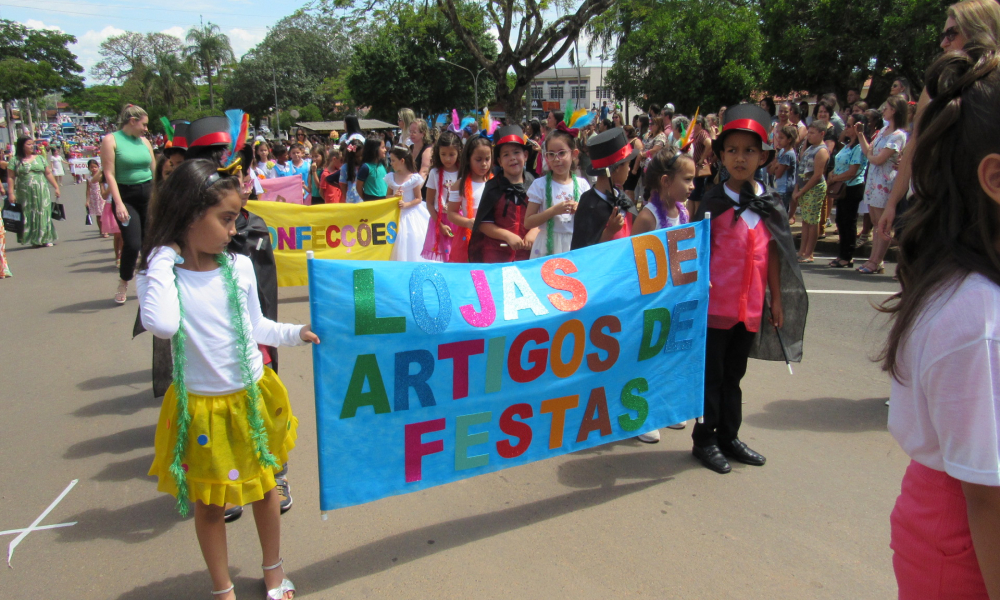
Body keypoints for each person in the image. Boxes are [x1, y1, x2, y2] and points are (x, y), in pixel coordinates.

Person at [137, 159, 319, 600]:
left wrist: (296, 334)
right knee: (211, 505)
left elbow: (257, 326)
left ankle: (273, 570)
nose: (233, 229)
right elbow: (161, 325)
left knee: (264, 489)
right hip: (202, 407)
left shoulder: (237, 266)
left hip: (252, 398)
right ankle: (222, 589)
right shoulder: (162, 277)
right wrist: (161, 255)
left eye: (235, 217)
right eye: (225, 218)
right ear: (187, 216)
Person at [880, 47, 1000, 600]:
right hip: (969, 551)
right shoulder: (980, 317)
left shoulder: (963, 287)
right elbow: (988, 497)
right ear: (994, 176)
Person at [691, 104, 806, 474]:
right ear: (721, 155)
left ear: (763, 156)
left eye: (749, 151)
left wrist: (774, 299)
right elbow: (695, 253)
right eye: (733, 150)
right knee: (712, 376)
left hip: (750, 307)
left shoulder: (769, 202)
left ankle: (729, 435)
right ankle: (704, 439)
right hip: (715, 307)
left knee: (735, 375)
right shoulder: (713, 202)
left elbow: (773, 254)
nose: (741, 158)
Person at [876, 0, 1000, 243]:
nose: (944, 42)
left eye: (952, 34)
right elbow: (916, 143)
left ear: (980, 31)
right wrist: (893, 204)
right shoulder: (936, 87)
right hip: (932, 204)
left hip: (980, 216)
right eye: (944, 34)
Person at [100, 104, 156, 304]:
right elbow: (109, 174)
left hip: (148, 193)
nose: (146, 129)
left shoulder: (144, 142)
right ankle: (124, 280)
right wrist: (119, 203)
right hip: (126, 196)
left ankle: (153, 282)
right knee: (132, 243)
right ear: (132, 121)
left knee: (151, 242)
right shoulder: (111, 140)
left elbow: (154, 170)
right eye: (144, 124)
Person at [468, 125, 537, 263]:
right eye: (506, 154)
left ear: (525, 155)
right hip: (496, 255)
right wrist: (507, 236)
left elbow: (543, 217)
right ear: (499, 161)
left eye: (516, 152)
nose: (512, 158)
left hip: (528, 256)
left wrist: (533, 232)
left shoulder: (535, 185)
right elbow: (483, 223)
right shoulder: (493, 187)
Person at [856, 95, 908, 274]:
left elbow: (878, 159)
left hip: (884, 182)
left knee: (882, 224)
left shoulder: (898, 135)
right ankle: (874, 259)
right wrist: (860, 135)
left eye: (886, 107)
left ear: (894, 110)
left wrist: (871, 158)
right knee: (876, 222)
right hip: (873, 180)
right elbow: (869, 151)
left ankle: (876, 261)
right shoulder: (884, 131)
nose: (883, 110)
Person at [524, 126, 588, 258]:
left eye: (562, 153)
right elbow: (528, 222)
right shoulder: (540, 185)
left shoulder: (583, 185)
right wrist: (554, 210)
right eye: (551, 154)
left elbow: (590, 220)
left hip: (573, 244)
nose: (557, 159)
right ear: (546, 157)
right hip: (546, 246)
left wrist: (581, 210)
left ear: (574, 154)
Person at [570, 127, 635, 250]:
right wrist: (609, 231)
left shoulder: (623, 198)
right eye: (627, 165)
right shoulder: (589, 204)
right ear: (616, 168)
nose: (629, 169)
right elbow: (583, 252)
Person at [827, 113, 869, 268]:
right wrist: (832, 173)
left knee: (849, 221)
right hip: (842, 187)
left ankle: (847, 255)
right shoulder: (847, 145)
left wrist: (835, 179)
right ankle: (841, 254)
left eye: (850, 126)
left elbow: (853, 171)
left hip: (852, 187)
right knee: (840, 220)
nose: (847, 128)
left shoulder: (859, 147)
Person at [446, 136, 494, 263]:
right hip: (469, 236)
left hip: (492, 236)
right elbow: (451, 213)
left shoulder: (495, 182)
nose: (484, 164)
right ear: (468, 159)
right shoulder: (460, 184)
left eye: (487, 159)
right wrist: (467, 222)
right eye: (478, 160)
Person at [8, 137, 60, 247]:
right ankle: (34, 239)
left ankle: (45, 238)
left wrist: (56, 186)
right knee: (28, 213)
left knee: (43, 211)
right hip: (24, 192)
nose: (32, 146)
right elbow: (11, 177)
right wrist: (11, 193)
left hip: (41, 190)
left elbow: (48, 173)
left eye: (32, 144)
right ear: (22, 146)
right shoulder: (15, 160)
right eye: (29, 144)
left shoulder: (40, 158)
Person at [792, 121, 831, 263]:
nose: (809, 135)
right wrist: (797, 188)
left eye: (813, 133)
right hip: (803, 187)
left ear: (822, 134)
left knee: (813, 221)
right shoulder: (809, 148)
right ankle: (802, 250)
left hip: (814, 189)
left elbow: (817, 175)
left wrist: (802, 191)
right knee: (806, 221)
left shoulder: (821, 150)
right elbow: (801, 170)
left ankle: (809, 253)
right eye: (809, 132)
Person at [421, 130, 462, 262]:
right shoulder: (435, 173)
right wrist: (440, 226)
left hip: (459, 219)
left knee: (459, 256)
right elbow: (429, 203)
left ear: (459, 153)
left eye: (452, 154)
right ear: (438, 153)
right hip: (441, 220)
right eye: (443, 154)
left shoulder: (463, 172)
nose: (447, 159)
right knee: (447, 258)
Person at [386, 145, 429, 262]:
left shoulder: (413, 178)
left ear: (402, 161)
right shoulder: (391, 177)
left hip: (411, 214)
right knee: (397, 238)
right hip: (396, 214)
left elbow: (418, 198)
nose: (391, 163)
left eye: (393, 160)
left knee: (411, 237)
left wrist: (406, 204)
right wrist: (394, 197)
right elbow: (387, 196)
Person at [770, 125, 798, 213]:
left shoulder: (788, 154)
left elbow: (778, 174)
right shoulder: (782, 151)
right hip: (778, 188)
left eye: (782, 138)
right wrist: (776, 165)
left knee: (780, 214)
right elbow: (770, 170)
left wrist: (776, 166)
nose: (779, 140)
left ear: (789, 140)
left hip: (784, 189)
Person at [356, 135, 388, 201]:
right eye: (382, 147)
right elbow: (358, 186)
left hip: (384, 199)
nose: (385, 149)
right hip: (372, 199)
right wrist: (366, 199)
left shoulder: (382, 164)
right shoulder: (366, 167)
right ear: (374, 150)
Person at [85, 159, 109, 238]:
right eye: (92, 167)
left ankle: (106, 230)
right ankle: (101, 230)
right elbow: (88, 190)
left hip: (102, 197)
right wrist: (87, 201)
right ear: (89, 168)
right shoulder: (89, 178)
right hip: (94, 198)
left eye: (95, 167)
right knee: (98, 215)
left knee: (104, 214)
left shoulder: (101, 176)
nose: (94, 169)